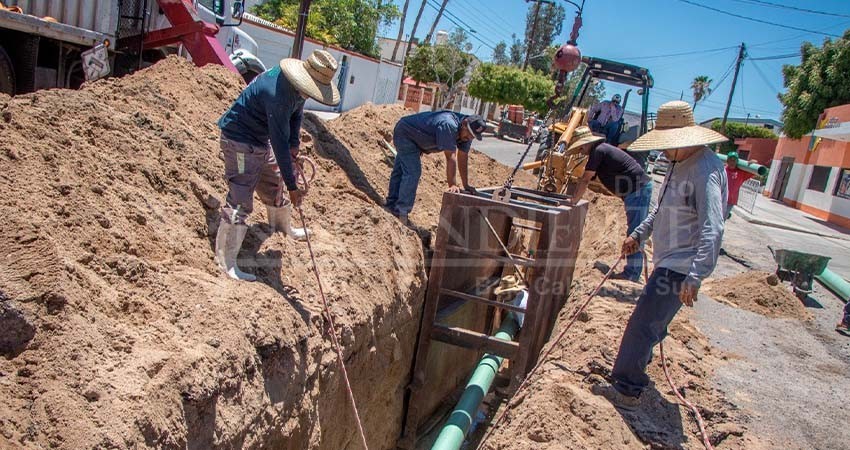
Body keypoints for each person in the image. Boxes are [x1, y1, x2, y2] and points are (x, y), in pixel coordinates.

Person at [591, 100, 729, 410]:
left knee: (642, 324)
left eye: (667, 144)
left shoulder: (705, 171)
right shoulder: (679, 163)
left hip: (681, 266)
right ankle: (635, 369)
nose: (664, 151)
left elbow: (713, 226)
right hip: (669, 259)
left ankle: (627, 388)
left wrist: (696, 275)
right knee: (651, 322)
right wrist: (639, 235)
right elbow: (660, 208)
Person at [214, 50, 340, 281]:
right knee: (241, 198)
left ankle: (283, 227)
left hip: (260, 140)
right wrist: (293, 186)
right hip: (239, 140)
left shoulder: (297, 88)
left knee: (273, 183)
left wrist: (295, 145)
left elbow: (296, 115)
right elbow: (279, 142)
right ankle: (226, 261)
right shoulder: (278, 94)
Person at [567, 126, 653, 281]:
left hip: (638, 190)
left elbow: (585, 179)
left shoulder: (598, 151)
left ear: (585, 143)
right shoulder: (601, 150)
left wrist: (574, 201)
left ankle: (632, 274)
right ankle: (632, 271)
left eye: (581, 147)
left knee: (635, 232)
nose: (580, 151)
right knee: (634, 229)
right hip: (635, 191)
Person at [385, 112, 487, 222]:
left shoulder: (467, 134)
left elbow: (463, 157)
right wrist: (452, 185)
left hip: (416, 140)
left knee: (401, 170)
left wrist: (465, 185)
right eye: (469, 134)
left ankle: (391, 205)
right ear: (464, 123)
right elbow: (450, 157)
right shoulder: (448, 125)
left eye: (473, 136)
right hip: (405, 133)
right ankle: (401, 212)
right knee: (413, 171)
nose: (469, 137)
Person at [724, 151, 754, 219]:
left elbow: (754, 172)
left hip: (731, 201)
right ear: (727, 161)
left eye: (734, 160)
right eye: (730, 160)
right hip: (720, 199)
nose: (732, 162)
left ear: (737, 162)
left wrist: (752, 165)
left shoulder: (741, 173)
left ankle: (727, 215)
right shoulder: (722, 170)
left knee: (722, 219)